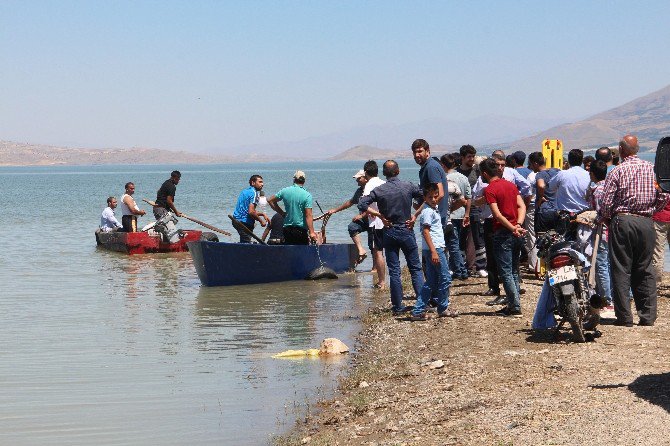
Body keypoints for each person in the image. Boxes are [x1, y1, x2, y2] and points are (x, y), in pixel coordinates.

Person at [599, 135, 670, 327]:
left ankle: (624, 317)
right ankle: (647, 316)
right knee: (644, 269)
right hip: (646, 222)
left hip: (622, 221)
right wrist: (651, 211)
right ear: (637, 149)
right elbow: (664, 194)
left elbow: (606, 203)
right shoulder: (652, 169)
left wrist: (607, 217)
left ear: (621, 151)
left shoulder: (617, 171)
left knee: (621, 269)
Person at [358, 160, 424, 315]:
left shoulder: (380, 190)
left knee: (394, 270)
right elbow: (426, 196)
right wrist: (415, 215)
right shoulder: (408, 186)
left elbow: (362, 204)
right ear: (398, 171)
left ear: (384, 173)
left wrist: (379, 215)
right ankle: (421, 302)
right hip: (406, 228)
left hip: (390, 230)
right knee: (415, 268)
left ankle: (398, 306)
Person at [481, 158, 526, 317]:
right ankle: (515, 303)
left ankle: (514, 307)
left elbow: (497, 215)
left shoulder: (490, 189)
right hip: (516, 232)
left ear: (485, 174)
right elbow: (522, 206)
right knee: (514, 270)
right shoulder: (511, 185)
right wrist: (518, 225)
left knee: (505, 272)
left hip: (503, 232)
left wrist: (512, 227)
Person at [410, 184, 457, 320]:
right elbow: (426, 232)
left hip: (435, 247)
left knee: (431, 281)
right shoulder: (427, 212)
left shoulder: (432, 209)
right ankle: (442, 307)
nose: (433, 199)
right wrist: (434, 251)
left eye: (435, 196)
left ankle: (418, 310)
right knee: (445, 278)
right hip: (433, 249)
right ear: (424, 198)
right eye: (430, 197)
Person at [326, 170, 369, 264]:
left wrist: (361, 215)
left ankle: (374, 269)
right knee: (352, 227)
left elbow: (376, 208)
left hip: (374, 221)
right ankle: (361, 250)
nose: (357, 181)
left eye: (359, 178)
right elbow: (350, 202)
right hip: (364, 221)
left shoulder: (372, 189)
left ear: (366, 178)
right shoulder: (359, 191)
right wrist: (335, 210)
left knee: (374, 245)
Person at [457, 145, 487, 277]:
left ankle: (480, 266)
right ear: (462, 157)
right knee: (461, 238)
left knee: (478, 237)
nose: (471, 159)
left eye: (473, 156)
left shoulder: (477, 171)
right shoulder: (457, 173)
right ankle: (462, 266)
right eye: (469, 156)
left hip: (475, 208)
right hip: (459, 209)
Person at [587, 161, 613, 312]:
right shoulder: (609, 188)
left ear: (593, 174)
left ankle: (606, 299)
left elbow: (599, 213)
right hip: (611, 231)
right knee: (609, 264)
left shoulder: (597, 191)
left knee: (601, 265)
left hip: (601, 232)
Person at [267, 170, 317, 245]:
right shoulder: (307, 195)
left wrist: (282, 213)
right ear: (304, 181)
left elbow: (270, 200)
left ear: (294, 180)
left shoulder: (285, 191)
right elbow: (308, 215)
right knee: (301, 252)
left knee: (289, 251)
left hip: (287, 229)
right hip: (301, 230)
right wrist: (312, 232)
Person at [441, 153, 471, 280]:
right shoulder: (463, 177)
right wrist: (467, 214)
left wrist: (448, 209)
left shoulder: (445, 179)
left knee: (452, 245)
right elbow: (468, 197)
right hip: (461, 214)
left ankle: (460, 271)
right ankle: (456, 269)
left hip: (451, 215)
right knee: (457, 244)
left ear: (442, 165)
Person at [361, 160, 387, 289]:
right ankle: (391, 279)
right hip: (388, 222)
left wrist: (375, 213)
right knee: (390, 251)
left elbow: (364, 205)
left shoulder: (369, 185)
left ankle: (382, 282)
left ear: (366, 173)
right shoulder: (384, 183)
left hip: (376, 224)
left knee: (378, 252)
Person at [547, 149, 591, 214]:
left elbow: (551, 187)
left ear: (569, 160)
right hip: (584, 214)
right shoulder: (589, 175)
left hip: (565, 215)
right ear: (581, 161)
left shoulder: (561, 174)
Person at [232, 175, 269, 243]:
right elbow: (251, 212)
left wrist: (262, 214)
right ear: (253, 183)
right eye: (260, 182)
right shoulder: (254, 193)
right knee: (246, 244)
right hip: (244, 223)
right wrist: (261, 221)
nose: (262, 184)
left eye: (262, 182)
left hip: (235, 220)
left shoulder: (244, 191)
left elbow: (247, 210)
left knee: (244, 241)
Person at [531, 152, 561, 234]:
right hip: (558, 210)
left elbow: (541, 186)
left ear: (536, 164)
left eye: (531, 164)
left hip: (544, 211)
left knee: (542, 237)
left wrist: (540, 198)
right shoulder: (556, 171)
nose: (530, 167)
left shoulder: (539, 175)